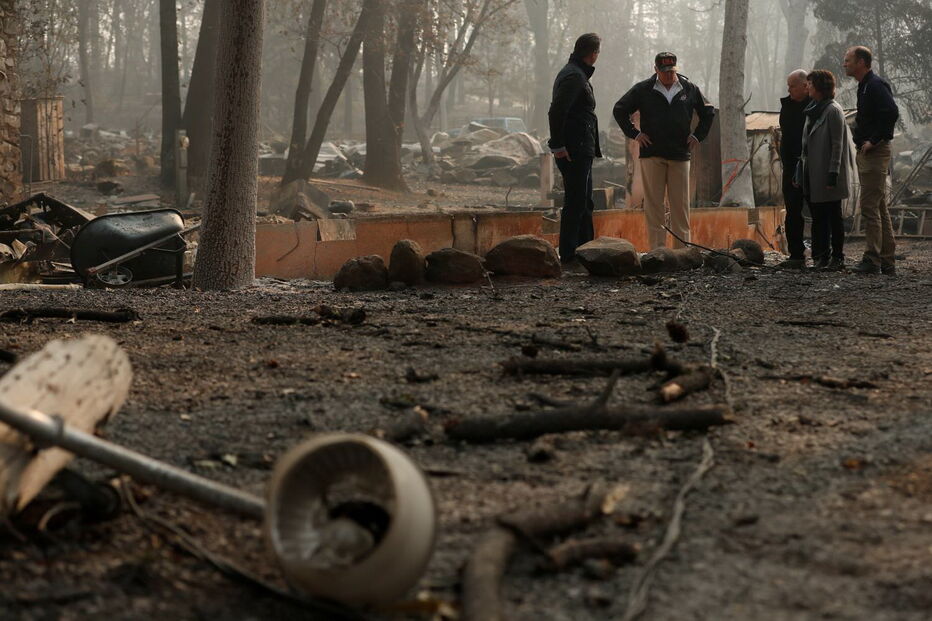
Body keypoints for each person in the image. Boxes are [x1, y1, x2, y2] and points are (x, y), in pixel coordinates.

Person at [613, 52, 715, 249]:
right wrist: (635, 134)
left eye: (671, 71)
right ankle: (658, 251)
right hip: (652, 154)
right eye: (664, 71)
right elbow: (619, 109)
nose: (668, 75)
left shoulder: (689, 88)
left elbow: (708, 112)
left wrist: (697, 136)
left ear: (676, 68)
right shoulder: (642, 89)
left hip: (680, 154)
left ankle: (682, 251)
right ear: (656, 70)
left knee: (681, 207)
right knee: (654, 207)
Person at [843, 45, 899, 275]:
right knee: (879, 206)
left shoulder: (875, 85)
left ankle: (872, 259)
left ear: (861, 62)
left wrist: (873, 141)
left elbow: (891, 112)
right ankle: (886, 260)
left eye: (848, 60)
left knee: (869, 206)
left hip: (874, 152)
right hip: (868, 151)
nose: (844, 64)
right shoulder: (864, 87)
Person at [548, 33, 602, 265]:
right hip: (574, 149)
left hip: (581, 147)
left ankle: (585, 249)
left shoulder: (576, 74)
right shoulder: (574, 76)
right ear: (592, 53)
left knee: (584, 202)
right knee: (575, 202)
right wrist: (558, 145)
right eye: (598, 52)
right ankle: (569, 254)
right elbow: (556, 111)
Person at [795, 70, 852, 271]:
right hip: (813, 174)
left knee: (834, 217)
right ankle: (821, 257)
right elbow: (804, 146)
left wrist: (833, 174)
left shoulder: (833, 111)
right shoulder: (813, 109)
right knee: (818, 218)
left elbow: (838, 145)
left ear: (819, 86)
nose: (807, 87)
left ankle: (838, 257)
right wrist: (799, 173)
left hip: (828, 174)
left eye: (810, 83)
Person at [776, 70, 812, 269]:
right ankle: (796, 254)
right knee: (792, 211)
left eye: (792, 86)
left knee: (819, 209)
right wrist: (789, 168)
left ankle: (825, 253)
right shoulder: (787, 107)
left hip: (812, 166)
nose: (788, 89)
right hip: (791, 167)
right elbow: (786, 139)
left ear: (805, 86)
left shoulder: (816, 106)